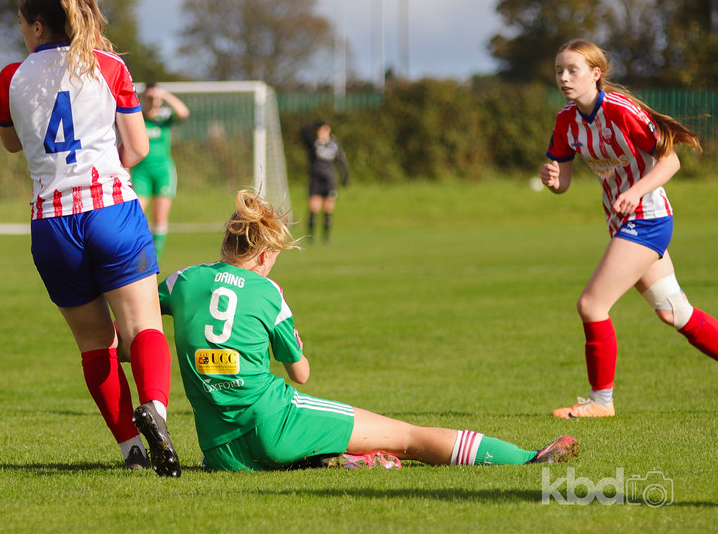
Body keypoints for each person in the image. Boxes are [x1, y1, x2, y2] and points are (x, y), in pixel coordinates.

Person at [158, 189, 577, 472]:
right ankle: (526, 459)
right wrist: (295, 346)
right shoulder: (267, 291)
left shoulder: (183, 281)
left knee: (314, 446)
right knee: (409, 437)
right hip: (274, 424)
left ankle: (346, 459)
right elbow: (299, 374)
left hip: (220, 451)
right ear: (265, 254)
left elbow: (137, 322)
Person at [0, 0, 180, 476]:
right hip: (110, 210)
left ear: (36, 25)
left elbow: (13, 146)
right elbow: (138, 149)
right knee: (143, 326)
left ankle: (130, 450)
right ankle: (156, 412)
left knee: (96, 345)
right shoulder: (109, 65)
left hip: (52, 223)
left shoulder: (11, 76)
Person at [542, 38, 718, 419]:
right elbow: (564, 183)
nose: (564, 77)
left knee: (591, 304)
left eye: (573, 70)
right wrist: (552, 178)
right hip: (621, 220)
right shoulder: (566, 121)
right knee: (675, 312)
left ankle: (601, 403)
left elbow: (670, 164)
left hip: (648, 218)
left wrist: (635, 192)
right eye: (559, 70)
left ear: (596, 74)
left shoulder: (621, 111)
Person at [130, 82, 190, 260]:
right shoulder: (136, 118)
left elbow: (184, 113)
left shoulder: (165, 118)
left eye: (156, 99)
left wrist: (164, 95)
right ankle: (133, 253)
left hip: (163, 173)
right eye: (149, 98)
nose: (153, 102)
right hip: (141, 173)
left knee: (159, 217)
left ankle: (153, 259)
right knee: (134, 215)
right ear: (142, 99)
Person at [300, 119, 349, 242]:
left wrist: (346, 176)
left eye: (326, 129)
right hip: (315, 178)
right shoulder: (314, 142)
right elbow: (303, 131)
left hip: (330, 179)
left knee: (328, 208)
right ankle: (310, 237)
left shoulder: (334, 144)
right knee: (314, 208)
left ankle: (325, 238)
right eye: (321, 129)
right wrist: (314, 125)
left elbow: (341, 160)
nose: (324, 131)